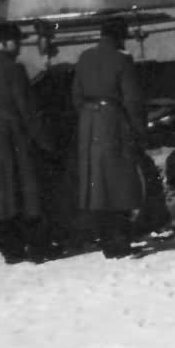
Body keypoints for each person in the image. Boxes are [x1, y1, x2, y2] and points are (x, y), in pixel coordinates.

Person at [0, 23, 52, 263]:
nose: (18, 47)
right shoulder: (14, 69)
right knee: (24, 190)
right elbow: (26, 108)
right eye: (16, 42)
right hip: (12, 132)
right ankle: (37, 248)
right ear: (4, 43)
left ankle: (11, 250)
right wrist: (43, 140)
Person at [71, 18, 146, 258]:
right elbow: (132, 99)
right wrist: (138, 130)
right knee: (119, 182)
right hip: (112, 120)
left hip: (88, 122)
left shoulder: (84, 57)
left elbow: (76, 95)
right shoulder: (122, 59)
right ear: (120, 37)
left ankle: (106, 242)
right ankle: (120, 241)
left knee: (97, 185)